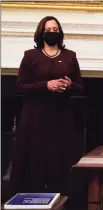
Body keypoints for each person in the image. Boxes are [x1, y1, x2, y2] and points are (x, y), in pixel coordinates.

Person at [10, 16, 84, 200]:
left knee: (60, 159)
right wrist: (46, 85)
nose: (52, 32)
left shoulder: (70, 56)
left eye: (55, 29)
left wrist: (69, 84)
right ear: (41, 33)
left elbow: (81, 86)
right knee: (35, 158)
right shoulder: (30, 55)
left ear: (60, 32)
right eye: (48, 29)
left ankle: (62, 200)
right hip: (35, 117)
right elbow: (20, 86)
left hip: (61, 116)